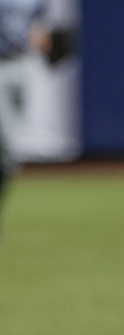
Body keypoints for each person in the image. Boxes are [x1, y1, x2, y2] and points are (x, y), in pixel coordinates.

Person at [0, 0, 50, 223]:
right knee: (6, 143)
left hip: (21, 67)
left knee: (9, 157)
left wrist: (46, 41)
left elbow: (35, 30)